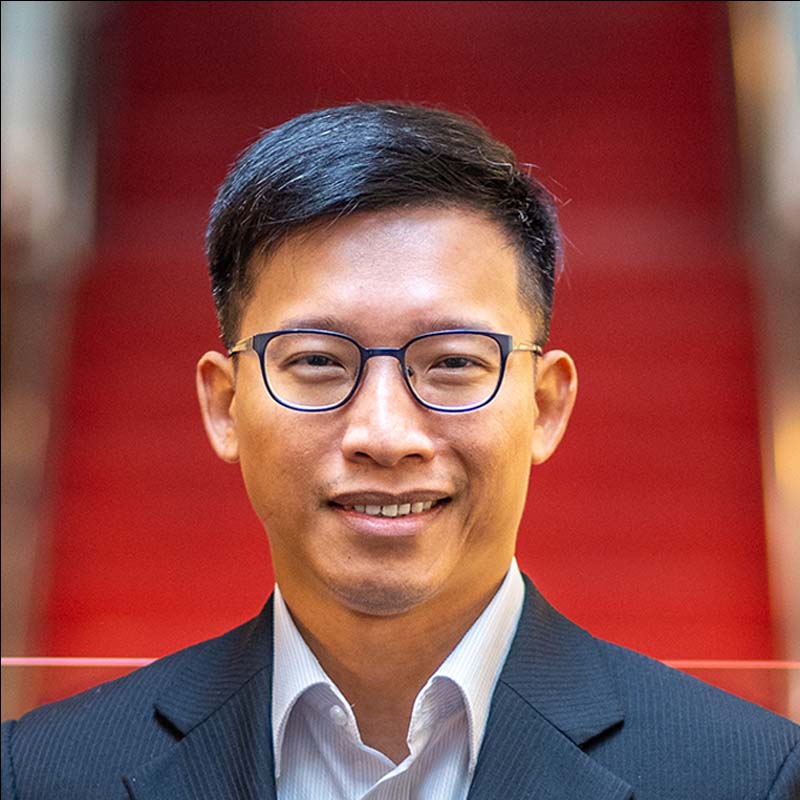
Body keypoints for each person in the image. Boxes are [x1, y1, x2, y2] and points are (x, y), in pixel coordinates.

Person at [2, 102, 798, 800]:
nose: (384, 435)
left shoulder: (748, 776)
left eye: (451, 363)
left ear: (547, 405)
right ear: (224, 405)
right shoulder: (40, 775)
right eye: (318, 361)